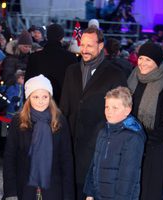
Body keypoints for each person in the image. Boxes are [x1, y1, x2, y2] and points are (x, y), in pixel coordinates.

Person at [60, 27, 127, 199]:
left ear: (100, 46)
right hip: (72, 146)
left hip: (98, 148)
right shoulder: (71, 71)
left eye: (90, 45)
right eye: (82, 45)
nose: (84, 49)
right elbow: (64, 108)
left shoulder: (115, 73)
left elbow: (121, 114)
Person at [3, 74, 75, 200]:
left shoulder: (59, 121)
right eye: (36, 97)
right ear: (29, 98)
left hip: (54, 188)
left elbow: (66, 159)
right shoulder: (19, 121)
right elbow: (10, 157)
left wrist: (68, 195)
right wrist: (10, 191)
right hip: (24, 188)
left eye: (45, 96)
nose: (41, 101)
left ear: (50, 97)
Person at [83, 86, 146, 200]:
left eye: (115, 108)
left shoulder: (132, 138)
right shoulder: (103, 132)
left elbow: (128, 178)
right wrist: (90, 193)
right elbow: (94, 165)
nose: (109, 111)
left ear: (127, 110)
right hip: (99, 195)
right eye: (107, 107)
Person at [127, 41, 163, 200]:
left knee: (147, 190)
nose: (142, 63)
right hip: (129, 142)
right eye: (141, 58)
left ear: (157, 63)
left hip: (152, 147)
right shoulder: (132, 76)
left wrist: (145, 140)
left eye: (148, 60)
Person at [25, 23, 78, 104]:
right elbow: (74, 85)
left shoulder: (34, 57)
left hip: (38, 103)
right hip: (62, 104)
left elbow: (28, 83)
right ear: (62, 38)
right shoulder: (71, 58)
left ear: (47, 36)